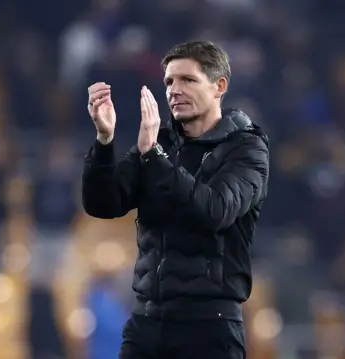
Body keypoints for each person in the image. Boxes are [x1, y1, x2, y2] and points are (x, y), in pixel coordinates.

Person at [82, 40, 270, 359]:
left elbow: (215, 210)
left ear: (219, 86)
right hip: (146, 321)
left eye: (188, 80)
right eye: (169, 81)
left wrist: (154, 155)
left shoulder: (246, 150)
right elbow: (103, 204)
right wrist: (104, 141)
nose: (174, 89)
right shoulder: (159, 142)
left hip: (209, 327)